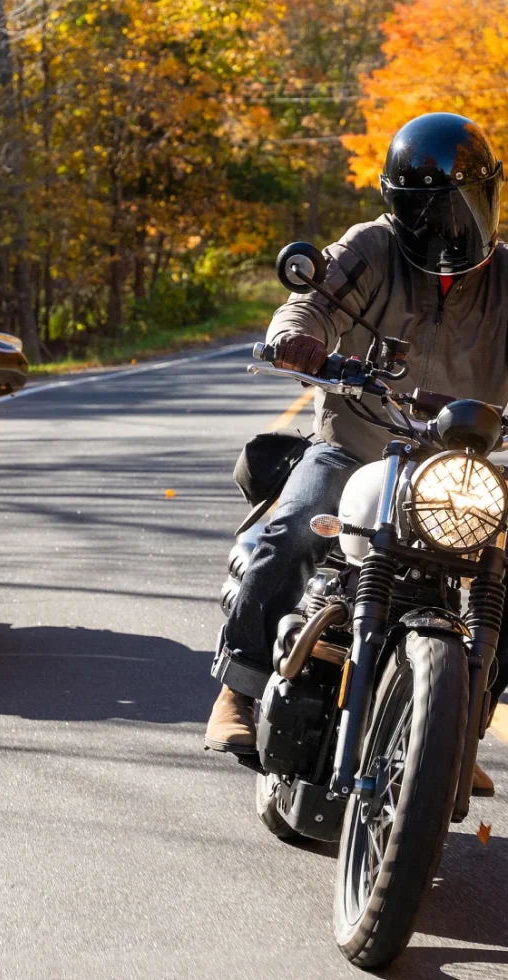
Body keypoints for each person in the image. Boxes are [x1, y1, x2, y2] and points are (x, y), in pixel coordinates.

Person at [205, 111, 508, 797]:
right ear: (402, 211)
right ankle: (240, 689)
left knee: (502, 576)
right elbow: (307, 304)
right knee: (295, 524)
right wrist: (297, 340)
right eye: (433, 213)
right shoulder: (370, 250)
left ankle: (457, 727)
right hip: (359, 448)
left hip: (461, 472)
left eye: (465, 206)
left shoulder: (506, 279)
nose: (451, 226)